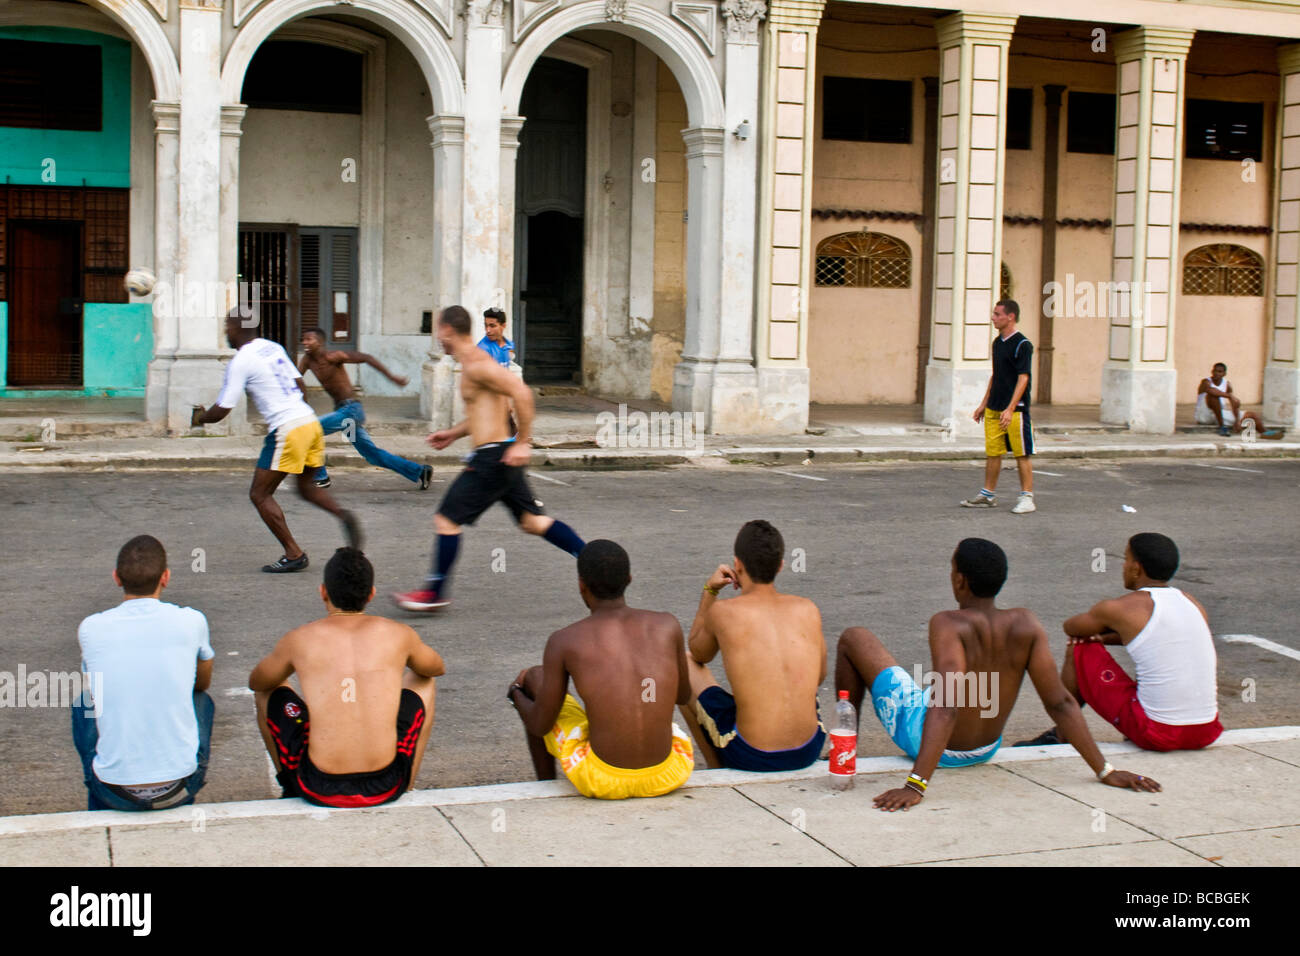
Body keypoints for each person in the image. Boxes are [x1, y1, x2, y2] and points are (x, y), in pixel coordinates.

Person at [837, 538, 1161, 812]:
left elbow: (947, 706)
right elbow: (1061, 702)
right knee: (933, 687)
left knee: (855, 637)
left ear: (959, 580)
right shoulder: (1026, 623)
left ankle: (843, 747)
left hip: (932, 742)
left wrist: (916, 784)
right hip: (986, 747)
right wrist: (1104, 770)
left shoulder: (948, 622)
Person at [392, 305, 585, 611]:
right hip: (501, 453)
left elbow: (521, 394)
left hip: (492, 457)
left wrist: (524, 442)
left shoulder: (478, 365)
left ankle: (434, 592)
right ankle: (591, 561)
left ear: (449, 331)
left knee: (446, 520)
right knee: (532, 522)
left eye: (438, 333)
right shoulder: (473, 364)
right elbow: (491, 410)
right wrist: (454, 433)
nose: (437, 340)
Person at [250, 547, 444, 808]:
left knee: (271, 688)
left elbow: (257, 683)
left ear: (323, 592)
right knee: (422, 681)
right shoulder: (398, 633)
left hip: (319, 785)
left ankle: (289, 785)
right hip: (385, 784)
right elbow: (435, 668)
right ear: (371, 594)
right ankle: (407, 783)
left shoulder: (299, 638)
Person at [507, 540, 695, 799]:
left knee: (533, 678)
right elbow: (683, 697)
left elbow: (540, 725)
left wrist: (516, 693)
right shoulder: (667, 625)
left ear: (581, 584)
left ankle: (545, 788)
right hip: (668, 772)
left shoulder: (564, 640)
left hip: (603, 778)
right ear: (629, 579)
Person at [1017, 532, 1224, 753]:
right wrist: (1109, 636)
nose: (1123, 566)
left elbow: (1072, 627)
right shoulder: (1193, 603)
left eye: (1125, 559)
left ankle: (1062, 733)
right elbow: (1158, 638)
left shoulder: (1122, 607)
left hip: (1158, 733)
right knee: (1154, 661)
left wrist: (1104, 631)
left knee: (1080, 645)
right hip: (1206, 731)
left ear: (1136, 568)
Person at [193, 309, 361, 573]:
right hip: (309, 422)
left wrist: (200, 418)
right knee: (307, 488)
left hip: (288, 428)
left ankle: (294, 553)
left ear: (238, 328)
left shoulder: (241, 361)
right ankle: (344, 515)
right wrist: (299, 414)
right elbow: (300, 385)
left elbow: (223, 408)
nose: (225, 331)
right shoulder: (272, 347)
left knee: (260, 494)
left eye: (227, 325)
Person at [72, 535, 214, 811]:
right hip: (178, 787)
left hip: (114, 789)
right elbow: (203, 682)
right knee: (200, 700)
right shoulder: (192, 620)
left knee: (85, 702)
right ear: (166, 577)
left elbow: (97, 685)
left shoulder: (91, 627)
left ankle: (101, 805)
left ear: (116, 577)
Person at [678, 520, 827, 772]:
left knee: (681, 662)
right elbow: (819, 677)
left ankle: (718, 769)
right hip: (809, 748)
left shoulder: (723, 612)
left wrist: (710, 591)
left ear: (737, 564)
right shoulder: (807, 608)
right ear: (780, 565)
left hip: (753, 755)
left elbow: (698, 653)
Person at [297, 327, 433, 490]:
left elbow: (366, 358)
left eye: (309, 339)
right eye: (303, 339)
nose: (305, 342)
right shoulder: (307, 360)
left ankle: (321, 476)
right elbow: (296, 380)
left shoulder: (334, 356)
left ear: (320, 342)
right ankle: (420, 471)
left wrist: (392, 377)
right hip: (343, 414)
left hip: (351, 411)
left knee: (308, 431)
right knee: (372, 455)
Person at [962, 299, 1036, 514]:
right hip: (995, 407)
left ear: (1010, 316)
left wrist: (1011, 408)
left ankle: (1027, 497)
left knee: (1022, 453)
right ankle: (988, 494)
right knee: (993, 452)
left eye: (997, 314)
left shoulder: (1023, 345)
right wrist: (983, 404)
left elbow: (1023, 378)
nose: (993, 318)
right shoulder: (997, 343)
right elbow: (996, 375)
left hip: (1016, 410)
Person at [1195, 362, 1281, 438]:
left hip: (1218, 415)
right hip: (1204, 416)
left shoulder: (1227, 385)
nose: (1217, 373)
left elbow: (1234, 403)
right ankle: (1222, 427)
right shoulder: (1206, 382)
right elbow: (1211, 390)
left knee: (1251, 415)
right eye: (1215, 371)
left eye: (1220, 371)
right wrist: (1229, 396)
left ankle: (1265, 432)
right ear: (1212, 371)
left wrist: (1237, 421)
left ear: (1224, 373)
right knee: (1213, 396)